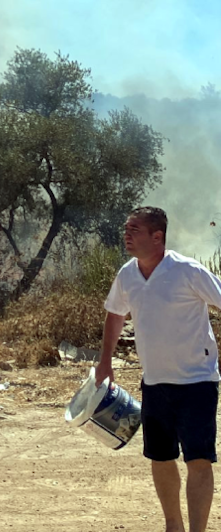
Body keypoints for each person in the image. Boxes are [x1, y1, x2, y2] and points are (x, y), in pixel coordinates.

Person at [99, 206, 221, 532]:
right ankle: (173, 526)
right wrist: (105, 362)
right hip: (154, 383)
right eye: (126, 228)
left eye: (134, 230)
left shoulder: (187, 271)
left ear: (157, 237)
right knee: (161, 457)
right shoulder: (128, 274)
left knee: (198, 459)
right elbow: (115, 314)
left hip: (197, 381)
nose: (126, 235)